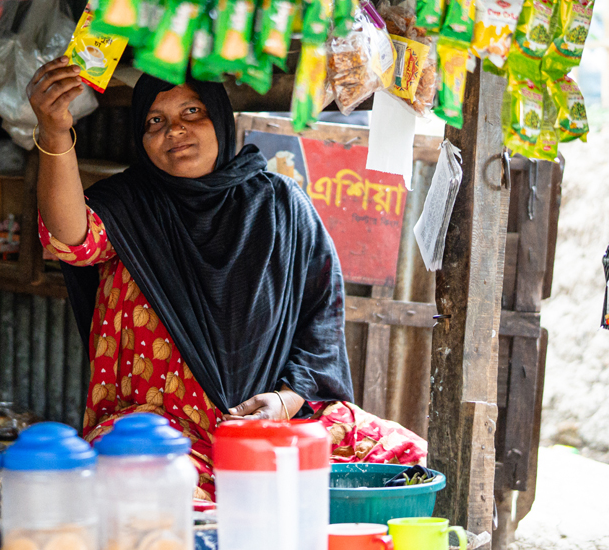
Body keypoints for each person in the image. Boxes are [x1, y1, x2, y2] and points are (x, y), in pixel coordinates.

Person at [28, 58, 427, 500]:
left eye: (191, 112)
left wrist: (286, 401)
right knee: (141, 494)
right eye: (155, 121)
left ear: (219, 117)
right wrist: (55, 132)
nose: (174, 130)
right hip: (161, 434)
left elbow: (321, 319)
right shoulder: (126, 206)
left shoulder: (280, 205)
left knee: (407, 460)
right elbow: (72, 240)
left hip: (269, 427)